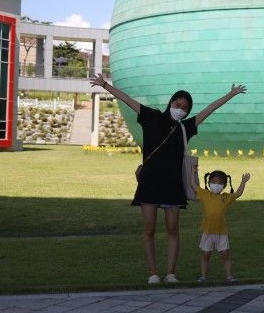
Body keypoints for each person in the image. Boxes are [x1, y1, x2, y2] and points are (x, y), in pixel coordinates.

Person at [89, 73, 246, 284]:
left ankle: (171, 273)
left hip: (173, 186)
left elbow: (209, 110)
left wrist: (231, 94)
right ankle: (153, 272)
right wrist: (105, 85)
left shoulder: (186, 127)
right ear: (171, 102)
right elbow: (127, 100)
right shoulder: (151, 116)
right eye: (177, 103)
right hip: (150, 183)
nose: (180, 108)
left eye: (185, 107)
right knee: (149, 229)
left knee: (173, 230)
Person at [190, 167, 250, 282]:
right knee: (205, 256)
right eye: (213, 182)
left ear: (224, 185)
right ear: (209, 183)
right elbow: (193, 185)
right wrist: (193, 173)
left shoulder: (226, 197)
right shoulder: (205, 194)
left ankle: (229, 276)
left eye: (219, 183)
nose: (216, 185)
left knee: (225, 255)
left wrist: (243, 182)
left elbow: (238, 193)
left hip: (222, 233)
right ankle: (203, 277)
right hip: (207, 232)